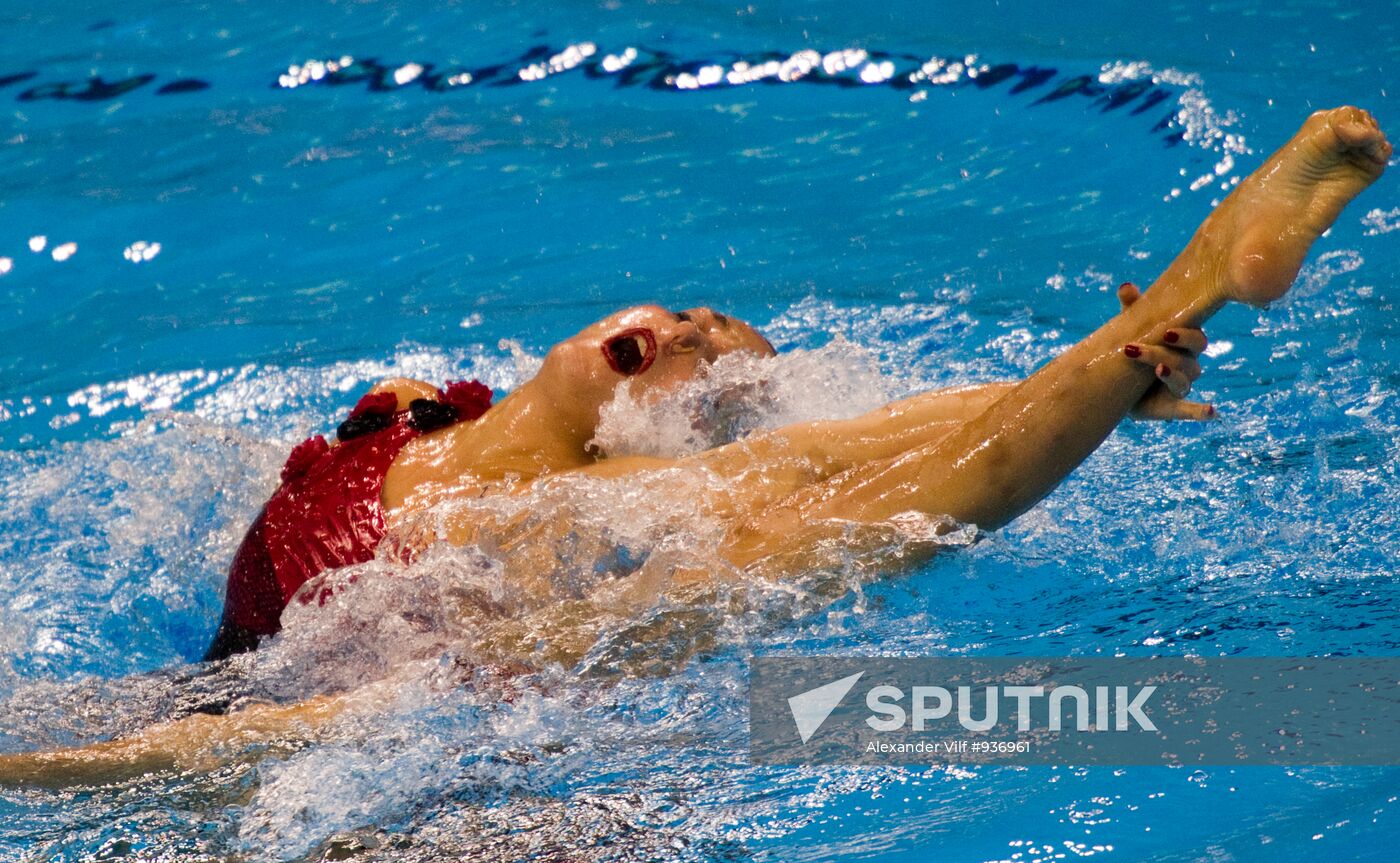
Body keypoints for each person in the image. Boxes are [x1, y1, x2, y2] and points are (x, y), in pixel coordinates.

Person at [0, 105, 1389, 788]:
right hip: (254, 694)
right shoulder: (430, 415)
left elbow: (863, 460)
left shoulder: (555, 522)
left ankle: (1184, 297)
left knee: (858, 515)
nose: (681, 332)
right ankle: (1141, 336)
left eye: (699, 353)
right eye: (691, 319)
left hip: (413, 727)